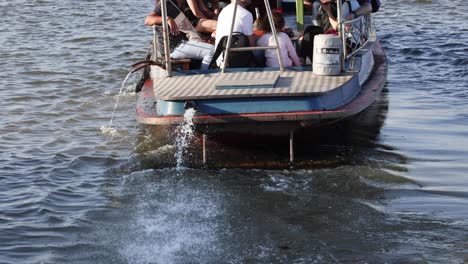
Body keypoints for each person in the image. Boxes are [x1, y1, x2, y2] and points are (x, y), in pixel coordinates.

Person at [145, 0, 215, 70]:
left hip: (182, 42)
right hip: (173, 48)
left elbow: (186, 29)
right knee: (211, 51)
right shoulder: (167, 3)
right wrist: (167, 19)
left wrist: (201, 39)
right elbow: (148, 20)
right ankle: (203, 74)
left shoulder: (179, 5)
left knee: (210, 45)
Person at [213, 0, 256, 67]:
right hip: (233, 61)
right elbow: (252, 44)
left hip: (220, 60)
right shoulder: (246, 14)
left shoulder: (224, 11)